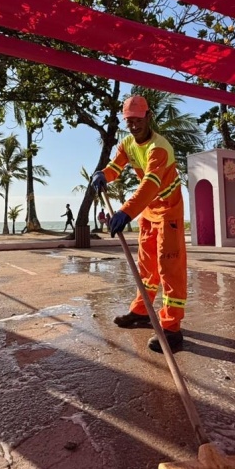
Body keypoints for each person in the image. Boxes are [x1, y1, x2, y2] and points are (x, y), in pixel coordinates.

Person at [91, 95, 187, 353]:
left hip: (168, 209)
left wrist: (125, 212)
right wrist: (103, 175)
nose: (133, 126)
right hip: (149, 210)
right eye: (129, 121)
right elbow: (115, 166)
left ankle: (172, 329)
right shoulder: (127, 144)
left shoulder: (159, 147)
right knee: (146, 267)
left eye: (138, 120)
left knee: (169, 268)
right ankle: (142, 312)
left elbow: (151, 184)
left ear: (149, 116)